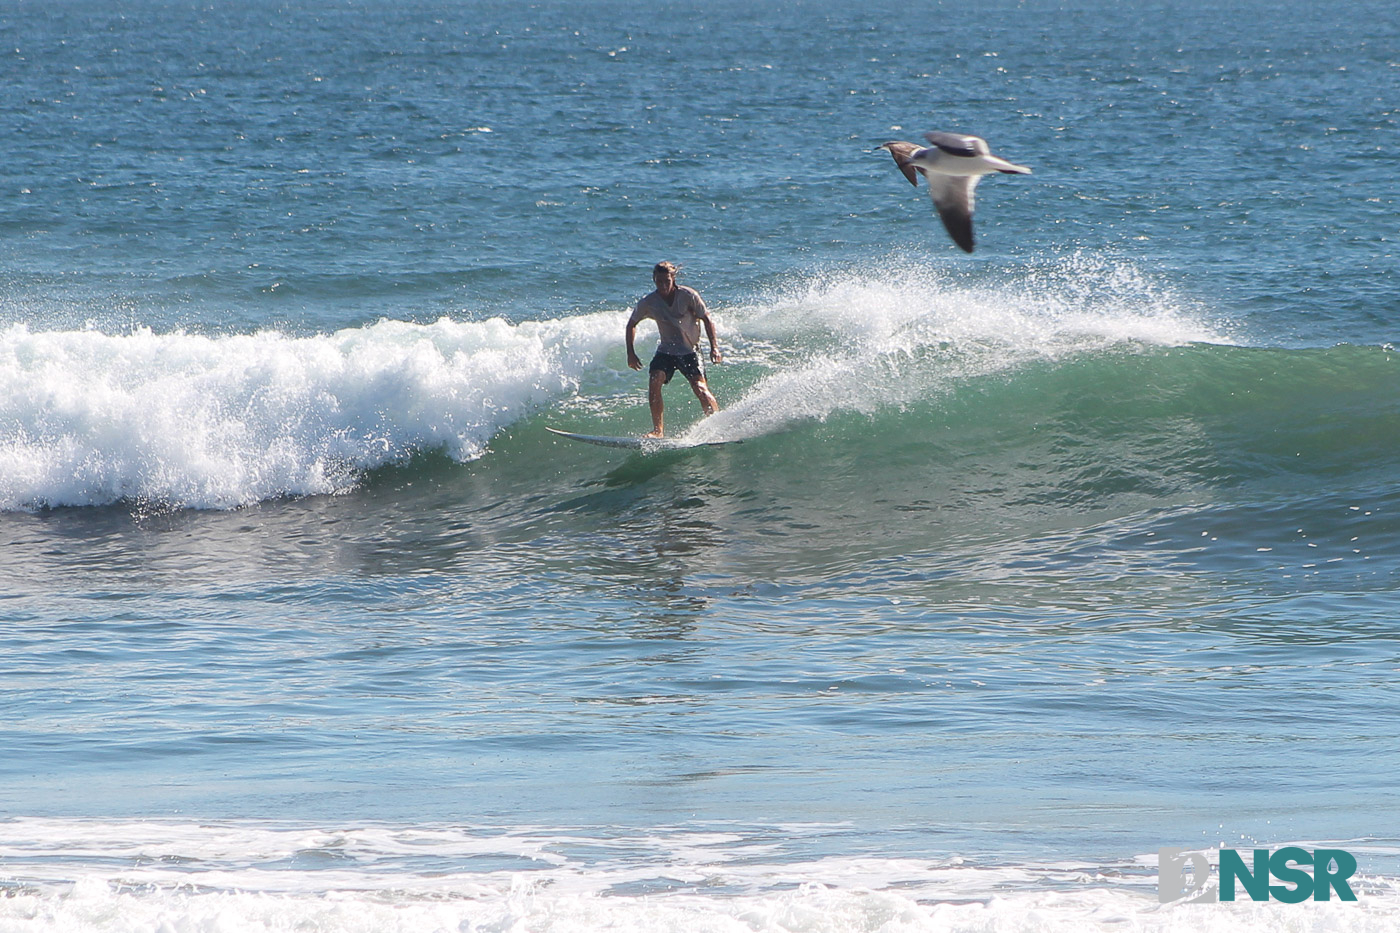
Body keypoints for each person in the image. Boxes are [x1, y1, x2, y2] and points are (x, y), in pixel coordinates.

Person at [625, 262, 722, 437]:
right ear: (654, 280)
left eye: (666, 281)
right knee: (654, 382)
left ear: (673, 279)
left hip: (690, 351)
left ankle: (718, 427)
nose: (662, 285)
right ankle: (658, 431)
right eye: (658, 281)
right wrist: (630, 353)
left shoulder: (688, 295)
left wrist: (714, 347)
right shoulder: (649, 302)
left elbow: (706, 318)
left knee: (700, 388)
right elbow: (631, 324)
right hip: (666, 351)